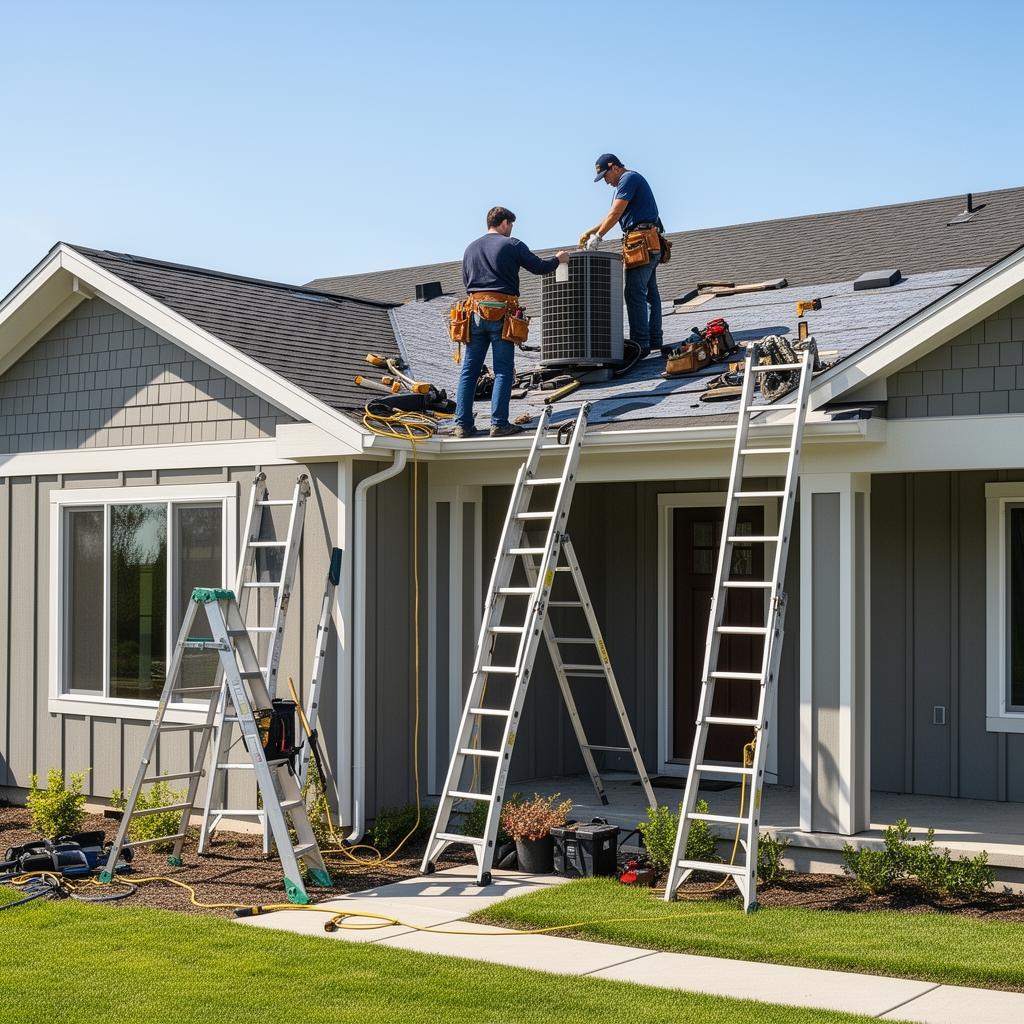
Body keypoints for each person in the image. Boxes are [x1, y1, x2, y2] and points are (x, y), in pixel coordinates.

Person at [454, 207, 569, 438]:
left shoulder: (470, 248)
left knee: (469, 371)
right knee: (503, 371)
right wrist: (558, 260)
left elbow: (467, 283)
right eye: (511, 225)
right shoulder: (512, 245)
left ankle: (462, 425)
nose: (511, 230)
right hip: (502, 314)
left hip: (474, 314)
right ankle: (499, 423)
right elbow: (539, 267)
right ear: (505, 223)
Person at [580, 154, 663, 356]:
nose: (606, 181)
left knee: (634, 293)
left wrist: (598, 237)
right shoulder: (626, 183)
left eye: (605, 176)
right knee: (650, 292)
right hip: (650, 241)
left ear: (614, 167)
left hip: (641, 242)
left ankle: (640, 344)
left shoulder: (628, 179)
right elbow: (613, 215)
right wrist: (591, 231)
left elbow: (615, 213)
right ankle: (654, 340)